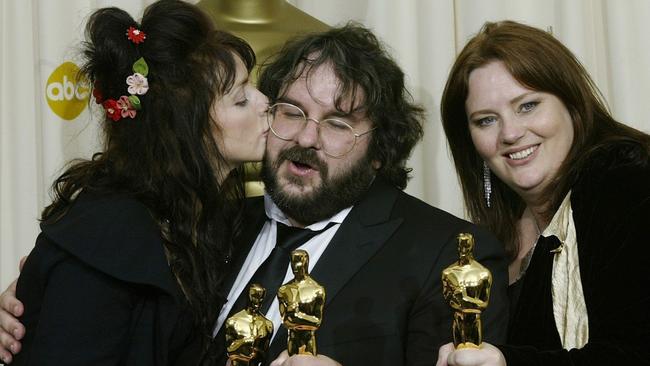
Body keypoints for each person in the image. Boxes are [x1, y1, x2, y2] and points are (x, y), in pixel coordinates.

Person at [1, 24, 509, 366]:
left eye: (337, 123)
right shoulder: (190, 227)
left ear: (380, 151)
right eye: (290, 111)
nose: (306, 138)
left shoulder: (446, 254)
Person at [0, 0, 268, 364]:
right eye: (240, 99)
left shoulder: (202, 219)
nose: (265, 102)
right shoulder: (108, 240)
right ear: (185, 130)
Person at [436, 20, 650, 366]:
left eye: (527, 105)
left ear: (572, 103)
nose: (510, 133)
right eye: (486, 120)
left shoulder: (626, 177)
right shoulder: (490, 243)